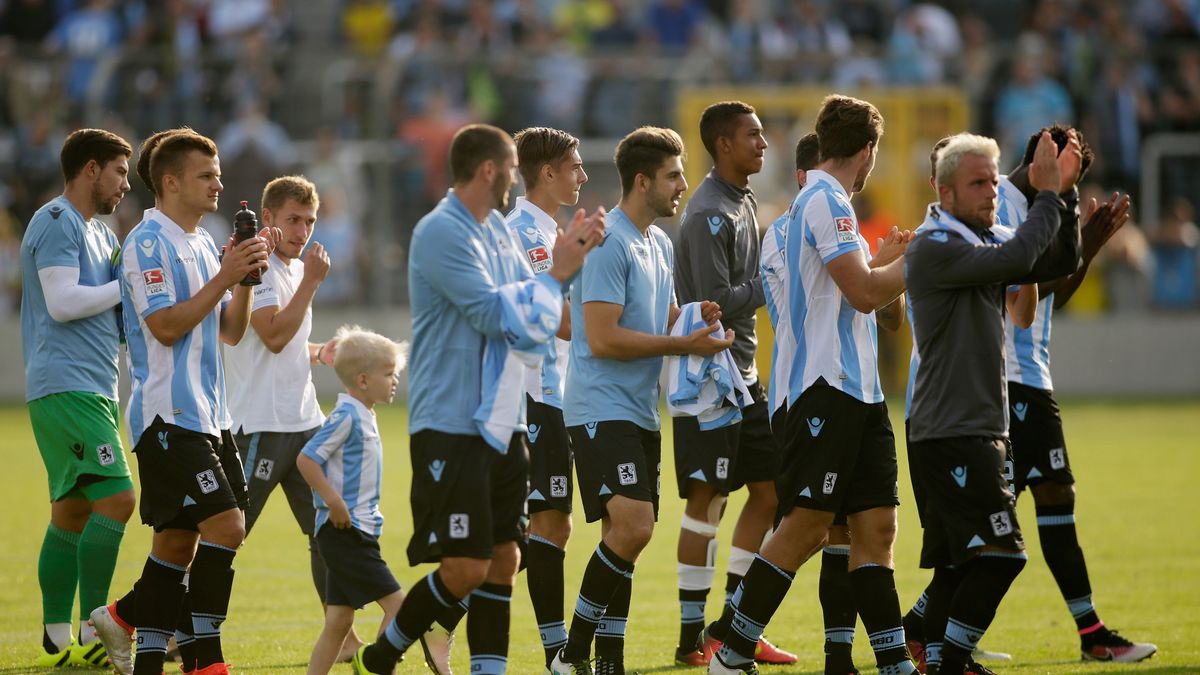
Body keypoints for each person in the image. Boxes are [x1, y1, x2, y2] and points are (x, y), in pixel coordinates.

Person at [351, 123, 604, 675]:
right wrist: (558, 275)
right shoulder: (442, 231)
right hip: (453, 421)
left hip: (506, 419)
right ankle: (388, 649)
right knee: (465, 567)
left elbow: (535, 329)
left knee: (505, 559)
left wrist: (549, 286)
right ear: (490, 170)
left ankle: (433, 662)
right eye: (512, 169)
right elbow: (495, 315)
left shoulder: (499, 233)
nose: (516, 180)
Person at [709, 95, 912, 675]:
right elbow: (867, 294)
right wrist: (919, 258)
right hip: (823, 388)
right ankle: (734, 649)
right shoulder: (825, 201)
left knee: (875, 527)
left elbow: (879, 308)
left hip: (859, 391)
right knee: (806, 526)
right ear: (868, 150)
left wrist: (885, 265)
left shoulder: (804, 216)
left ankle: (891, 664)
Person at [552, 127, 735, 675]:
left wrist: (692, 316)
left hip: (638, 411)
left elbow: (662, 316)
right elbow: (603, 337)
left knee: (624, 537)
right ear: (641, 181)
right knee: (634, 528)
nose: (683, 185)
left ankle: (607, 659)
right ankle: (572, 653)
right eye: (674, 175)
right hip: (598, 406)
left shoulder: (659, 242)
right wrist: (681, 342)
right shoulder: (608, 242)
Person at [905, 131, 1081, 675]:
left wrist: (1065, 194)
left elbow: (1057, 256)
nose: (989, 192)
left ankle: (938, 657)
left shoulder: (983, 238)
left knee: (960, 563)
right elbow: (1028, 252)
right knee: (1004, 554)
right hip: (948, 430)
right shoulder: (936, 244)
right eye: (977, 183)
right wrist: (1046, 194)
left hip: (978, 426)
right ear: (946, 191)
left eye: (992, 180)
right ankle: (953, 661)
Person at [118, 129, 271, 675]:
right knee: (229, 525)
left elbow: (231, 330)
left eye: (219, 173)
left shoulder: (205, 241)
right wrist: (224, 277)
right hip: (167, 416)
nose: (218, 184)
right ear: (171, 181)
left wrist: (245, 278)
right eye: (207, 175)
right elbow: (162, 327)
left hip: (211, 416)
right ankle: (204, 655)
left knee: (177, 545)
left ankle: (149, 659)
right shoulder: (147, 243)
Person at [998, 126, 1152, 663]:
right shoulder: (997, 200)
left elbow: (1049, 298)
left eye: (1078, 178)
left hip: (1030, 373)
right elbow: (1014, 286)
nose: (1071, 186)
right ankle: (933, 630)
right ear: (1040, 156)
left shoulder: (1049, 206)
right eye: (1068, 172)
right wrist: (1075, 242)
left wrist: (1084, 247)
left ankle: (1089, 634)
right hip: (1008, 375)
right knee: (1008, 518)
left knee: (1039, 500)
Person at [224, 175, 372, 663]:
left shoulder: (289, 267)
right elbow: (269, 335)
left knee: (329, 530)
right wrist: (311, 282)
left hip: (305, 422)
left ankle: (343, 634)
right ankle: (183, 624)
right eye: (293, 219)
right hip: (262, 425)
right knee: (229, 530)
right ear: (267, 218)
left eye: (310, 221)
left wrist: (317, 351)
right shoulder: (262, 267)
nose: (303, 230)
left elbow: (284, 346)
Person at [670, 101, 795, 669]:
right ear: (724, 144)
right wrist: (770, 282)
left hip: (743, 375)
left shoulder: (741, 202)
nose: (764, 144)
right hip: (708, 377)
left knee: (768, 494)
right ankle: (692, 636)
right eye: (754, 135)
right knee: (708, 501)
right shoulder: (708, 213)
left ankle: (734, 625)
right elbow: (715, 304)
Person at [20, 128, 135, 668]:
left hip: (95, 387)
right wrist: (131, 285)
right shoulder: (56, 220)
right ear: (91, 169)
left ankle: (55, 637)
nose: (125, 184)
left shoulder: (105, 236)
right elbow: (63, 302)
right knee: (118, 499)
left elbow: (113, 317)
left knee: (71, 513)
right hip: (66, 386)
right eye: (119, 172)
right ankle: (96, 628)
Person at [506, 126, 589, 672]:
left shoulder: (552, 231)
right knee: (549, 523)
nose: (583, 175)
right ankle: (556, 651)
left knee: (543, 527)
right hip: (535, 394)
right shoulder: (527, 235)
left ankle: (435, 613)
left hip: (560, 393)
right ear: (546, 173)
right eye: (574, 166)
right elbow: (558, 321)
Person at [296, 325, 408, 675]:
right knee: (401, 610)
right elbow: (306, 459)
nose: (395, 382)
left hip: (355, 530)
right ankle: (373, 665)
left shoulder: (365, 414)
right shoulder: (346, 417)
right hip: (345, 531)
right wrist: (333, 501)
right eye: (389, 374)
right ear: (362, 380)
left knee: (339, 620)